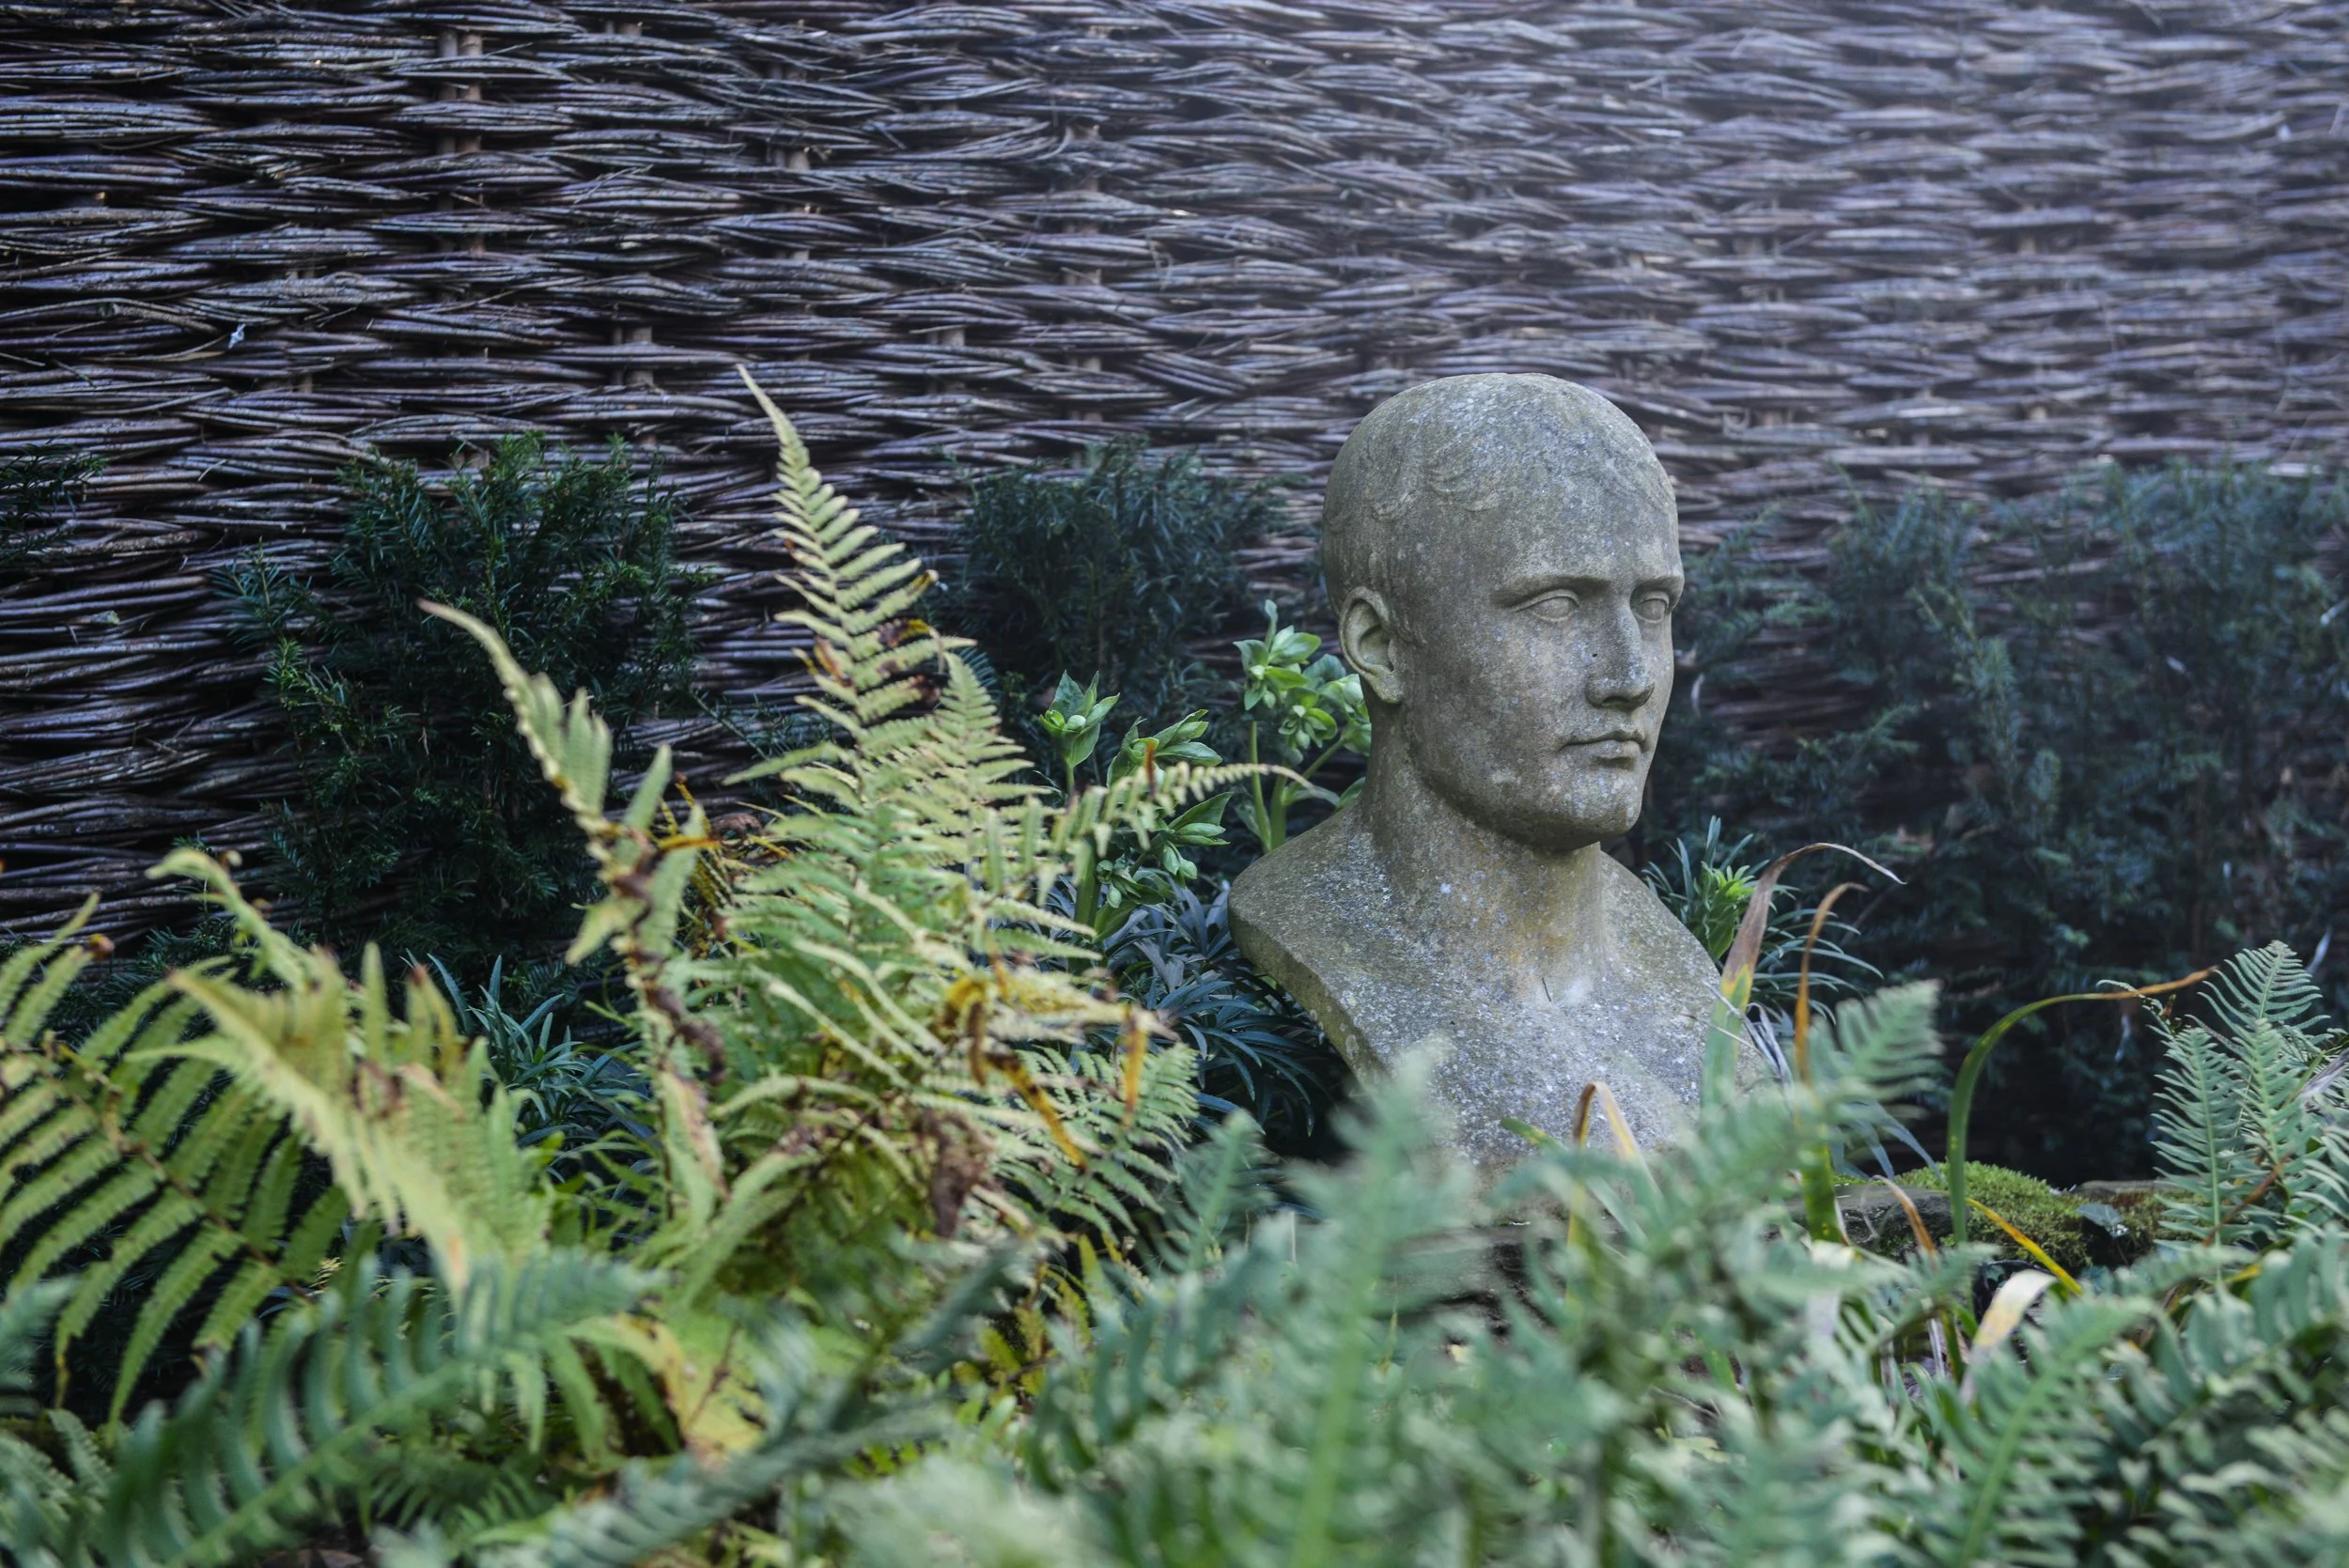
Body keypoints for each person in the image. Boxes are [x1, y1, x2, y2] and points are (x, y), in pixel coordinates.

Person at [1231, 373, 1741, 1166]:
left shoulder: (1684, 990)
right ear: (1382, 646)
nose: (1629, 674)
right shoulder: (1328, 939)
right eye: (1557, 605)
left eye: (1652, 606)